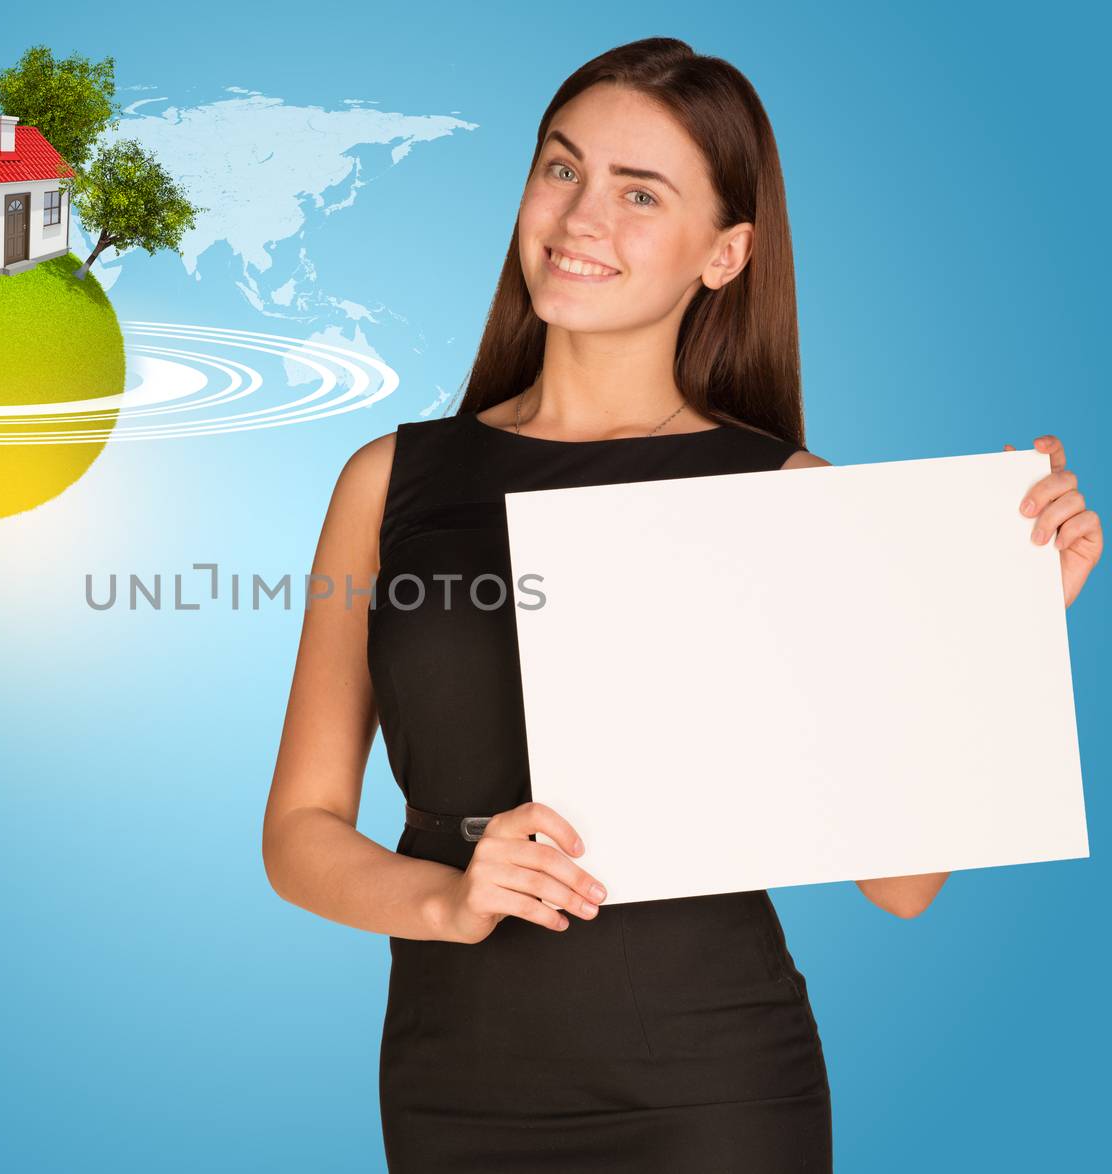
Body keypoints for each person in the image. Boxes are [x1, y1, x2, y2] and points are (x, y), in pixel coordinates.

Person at [261, 36, 1101, 1173]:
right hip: (451, 1086)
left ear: (725, 253)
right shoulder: (387, 481)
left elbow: (900, 886)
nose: (578, 217)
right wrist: (451, 899)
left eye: (639, 192)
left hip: (714, 1094)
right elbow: (298, 832)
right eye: (561, 169)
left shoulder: (791, 498)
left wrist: (1004, 626)